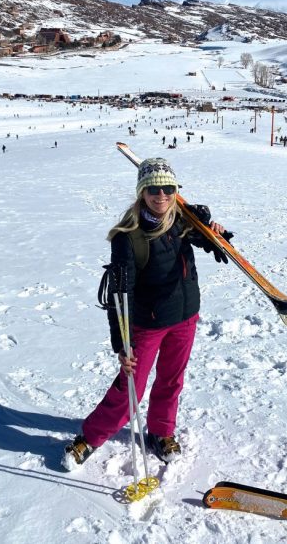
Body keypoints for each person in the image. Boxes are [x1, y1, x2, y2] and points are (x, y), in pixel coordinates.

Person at [60, 157, 230, 470]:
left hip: (185, 317)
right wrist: (120, 343)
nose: (161, 195)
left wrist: (212, 231)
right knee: (130, 388)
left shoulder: (181, 220)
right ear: (142, 192)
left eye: (168, 188)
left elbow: (202, 238)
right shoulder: (129, 236)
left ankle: (161, 433)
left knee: (171, 381)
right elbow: (119, 295)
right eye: (153, 189)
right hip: (147, 324)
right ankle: (91, 436)